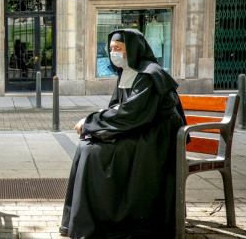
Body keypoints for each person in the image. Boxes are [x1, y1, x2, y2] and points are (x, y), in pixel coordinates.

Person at [60, 29, 187, 239]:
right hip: (140, 127)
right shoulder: (128, 71)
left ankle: (110, 220)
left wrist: (91, 122)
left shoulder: (149, 74)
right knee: (86, 146)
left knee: (94, 153)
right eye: (111, 49)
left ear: (133, 49)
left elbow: (131, 113)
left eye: (118, 48)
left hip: (155, 137)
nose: (113, 53)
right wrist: (97, 124)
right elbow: (119, 108)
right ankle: (81, 221)